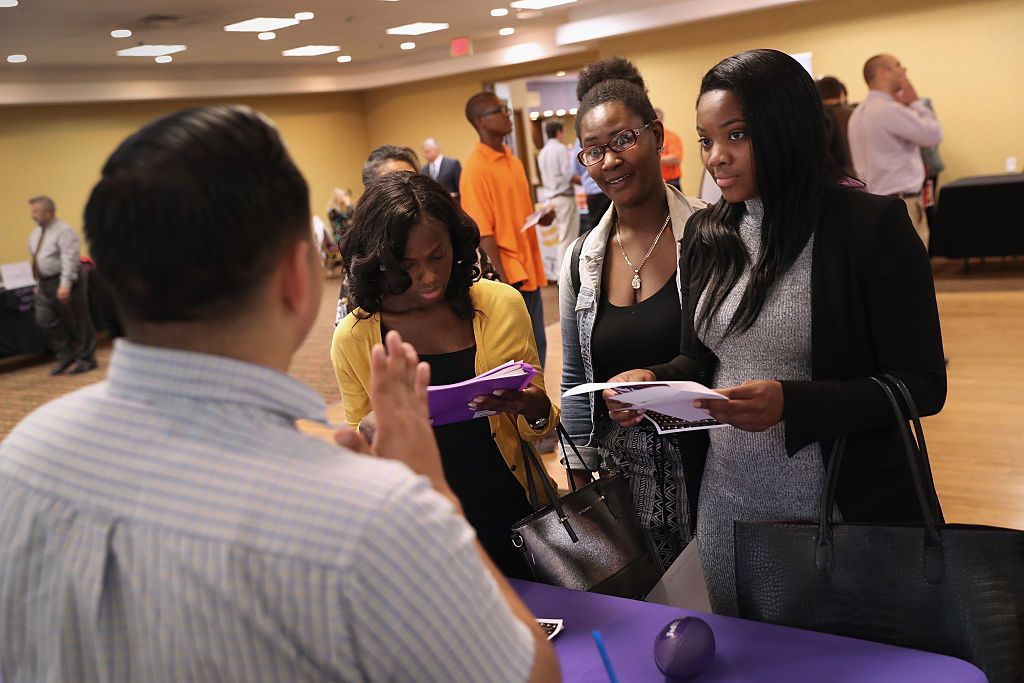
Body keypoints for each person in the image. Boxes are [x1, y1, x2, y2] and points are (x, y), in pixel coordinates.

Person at [0, 105, 560, 682]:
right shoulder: (367, 517)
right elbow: (531, 671)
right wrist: (433, 499)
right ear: (299, 276)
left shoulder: (22, 459)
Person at [606, 49, 946, 616]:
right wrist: (654, 383)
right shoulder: (708, 236)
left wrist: (793, 402)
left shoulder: (869, 228)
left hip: (836, 515)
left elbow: (921, 385)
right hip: (728, 507)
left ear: (784, 127)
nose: (716, 158)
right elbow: (703, 362)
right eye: (706, 140)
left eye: (736, 135)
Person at [332, 171, 558, 579]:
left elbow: (536, 425)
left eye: (437, 255)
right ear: (380, 262)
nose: (430, 276)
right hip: (426, 535)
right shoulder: (353, 338)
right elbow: (364, 463)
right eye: (408, 265)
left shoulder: (501, 305)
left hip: (519, 516)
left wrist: (535, 407)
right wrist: (371, 429)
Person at [560, 57, 704, 569]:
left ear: (656, 135)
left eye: (623, 140)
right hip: (626, 484)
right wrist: (577, 473)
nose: (610, 161)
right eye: (594, 151)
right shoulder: (582, 259)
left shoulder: (712, 236)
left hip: (712, 471)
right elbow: (576, 374)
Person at [460, 91, 552, 365]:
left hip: (528, 269)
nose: (507, 115)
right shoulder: (475, 169)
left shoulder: (513, 160)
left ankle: (538, 406)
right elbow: (483, 234)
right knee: (519, 353)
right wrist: (502, 284)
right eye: (499, 110)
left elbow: (516, 214)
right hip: (508, 274)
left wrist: (540, 217)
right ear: (481, 121)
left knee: (537, 344)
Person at [848, 54, 942, 248]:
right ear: (883, 73)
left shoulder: (858, 113)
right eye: (898, 65)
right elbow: (933, 135)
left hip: (873, 203)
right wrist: (915, 102)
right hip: (901, 204)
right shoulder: (889, 110)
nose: (904, 70)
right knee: (914, 269)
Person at [26, 195, 98, 375]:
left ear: (49, 212)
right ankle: (66, 353)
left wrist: (65, 285)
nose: (32, 215)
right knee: (44, 320)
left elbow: (70, 260)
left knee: (78, 321)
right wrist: (37, 282)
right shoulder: (36, 234)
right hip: (44, 283)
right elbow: (37, 259)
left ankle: (87, 359)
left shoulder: (64, 231)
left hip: (64, 280)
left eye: (35, 212)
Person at [537, 120, 581, 275]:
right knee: (567, 239)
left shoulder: (543, 152)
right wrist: (583, 180)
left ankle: (561, 275)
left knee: (562, 238)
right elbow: (567, 173)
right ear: (558, 132)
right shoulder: (560, 149)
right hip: (564, 197)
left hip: (551, 198)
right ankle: (564, 277)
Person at [815, 75, 855, 176]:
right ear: (841, 93)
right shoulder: (855, 115)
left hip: (828, 178)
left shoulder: (813, 117)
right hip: (857, 176)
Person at [571, 138, 612, 231]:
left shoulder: (579, 142)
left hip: (594, 193)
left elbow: (575, 170)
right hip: (602, 191)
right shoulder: (580, 141)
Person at [655, 108, 684, 191]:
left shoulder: (672, 137)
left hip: (671, 182)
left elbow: (675, 158)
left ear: (661, 119)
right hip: (654, 182)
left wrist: (653, 157)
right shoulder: (647, 139)